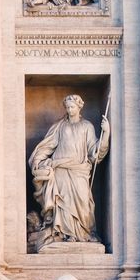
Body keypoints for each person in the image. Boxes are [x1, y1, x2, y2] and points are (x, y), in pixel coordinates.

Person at [29, 94, 110, 246]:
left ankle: (83, 233)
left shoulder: (87, 126)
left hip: (79, 170)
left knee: (83, 201)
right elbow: (48, 145)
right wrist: (39, 159)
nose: (69, 110)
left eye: (72, 107)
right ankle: (65, 234)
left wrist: (105, 133)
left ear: (79, 107)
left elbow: (95, 151)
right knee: (62, 202)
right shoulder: (60, 126)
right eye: (67, 107)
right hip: (60, 169)